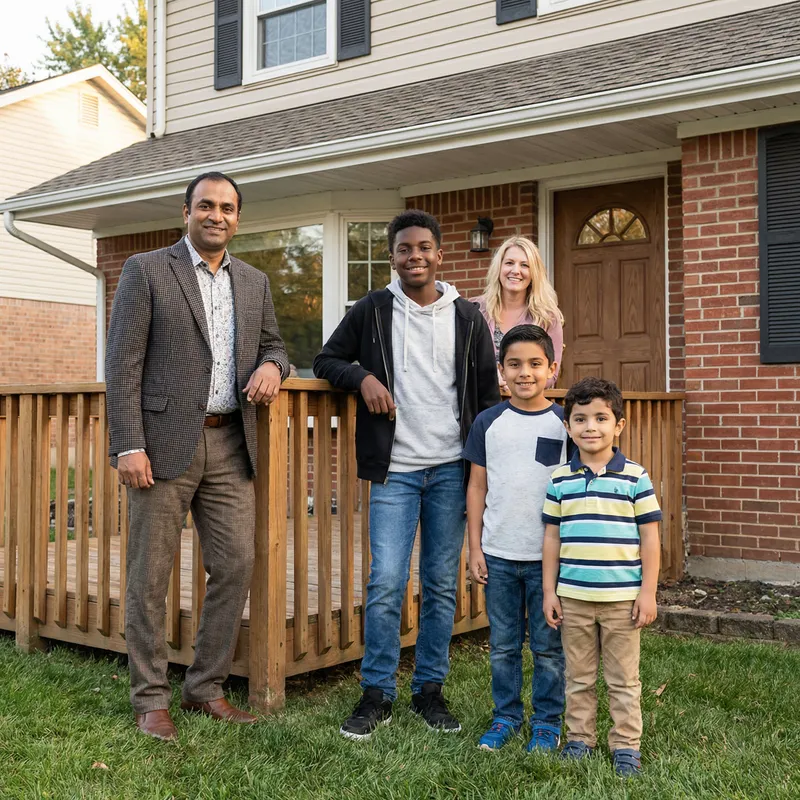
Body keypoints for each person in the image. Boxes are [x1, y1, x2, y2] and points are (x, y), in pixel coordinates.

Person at [106, 171, 289, 741]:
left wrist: (272, 366)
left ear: (238, 218)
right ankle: (150, 698)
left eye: (227, 208)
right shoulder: (146, 270)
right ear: (185, 212)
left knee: (235, 564)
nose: (217, 215)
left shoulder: (254, 281)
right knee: (150, 574)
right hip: (161, 445)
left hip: (232, 442)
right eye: (206, 205)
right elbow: (122, 365)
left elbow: (276, 345)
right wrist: (129, 444)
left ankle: (205, 687)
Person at [313, 209, 499, 740]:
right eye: (403, 249)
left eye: (423, 248)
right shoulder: (371, 310)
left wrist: (484, 466)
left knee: (440, 583)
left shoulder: (468, 318)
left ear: (439, 254)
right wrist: (363, 377)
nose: (414, 256)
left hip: (451, 469)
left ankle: (429, 690)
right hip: (394, 470)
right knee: (387, 581)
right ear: (392, 257)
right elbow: (325, 360)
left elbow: (487, 396)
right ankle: (376, 693)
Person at [541, 377, 661, 777]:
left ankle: (626, 745)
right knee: (578, 676)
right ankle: (580, 739)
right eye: (580, 419)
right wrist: (549, 591)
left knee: (623, 678)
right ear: (568, 426)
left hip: (622, 600)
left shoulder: (635, 477)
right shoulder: (559, 479)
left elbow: (650, 537)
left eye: (600, 418)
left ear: (618, 425)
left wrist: (647, 593)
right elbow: (552, 537)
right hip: (573, 598)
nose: (590, 427)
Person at [462, 325, 569, 754]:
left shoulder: (566, 423)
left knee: (548, 647)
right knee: (503, 645)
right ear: (501, 371)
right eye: (514, 364)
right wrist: (474, 547)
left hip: (549, 559)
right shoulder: (489, 422)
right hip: (499, 554)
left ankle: (547, 722)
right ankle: (506, 715)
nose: (525, 372)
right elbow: (476, 487)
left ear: (552, 368)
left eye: (535, 364)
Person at [472, 236, 564, 390]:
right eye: (509, 263)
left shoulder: (547, 317)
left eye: (524, 265)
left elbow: (551, 375)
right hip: (481, 400)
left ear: (534, 273)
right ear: (499, 268)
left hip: (527, 401)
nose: (516, 271)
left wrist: (516, 383)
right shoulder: (475, 309)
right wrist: (489, 377)